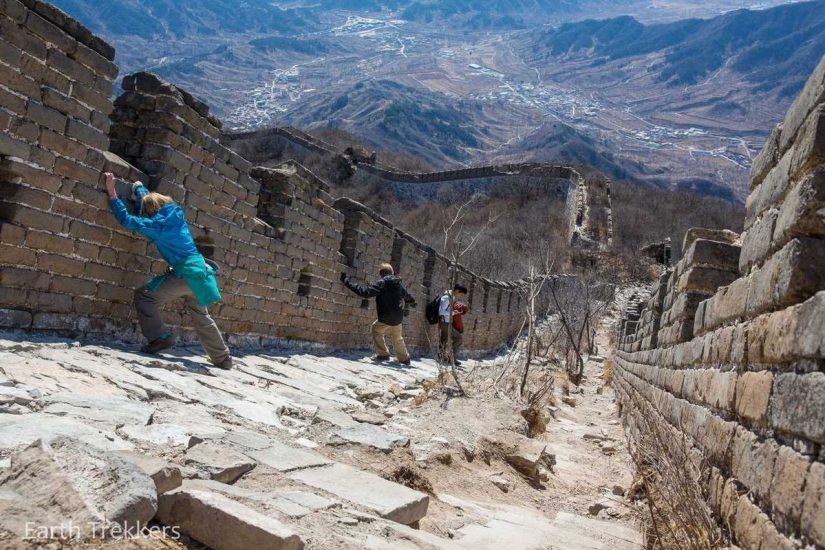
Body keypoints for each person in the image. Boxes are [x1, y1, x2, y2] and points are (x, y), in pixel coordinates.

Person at [103, 172, 233, 369]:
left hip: (185, 274)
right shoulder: (175, 213)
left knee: (144, 297)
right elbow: (150, 200)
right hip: (202, 274)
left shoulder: (157, 225)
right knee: (201, 315)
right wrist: (139, 188)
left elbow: (128, 220)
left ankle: (159, 337)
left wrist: (112, 194)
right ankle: (223, 358)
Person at [341, 263, 416, 365]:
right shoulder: (398, 284)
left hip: (386, 315)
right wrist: (412, 302)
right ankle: (404, 359)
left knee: (376, 330)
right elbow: (407, 296)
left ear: (382, 273)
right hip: (398, 316)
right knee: (397, 337)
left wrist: (347, 283)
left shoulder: (382, 283)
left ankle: (383, 354)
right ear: (392, 273)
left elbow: (365, 292)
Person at [439, 284, 468, 365]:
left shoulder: (452, 297)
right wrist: (452, 313)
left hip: (447, 322)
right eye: (461, 294)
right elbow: (441, 311)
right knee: (458, 338)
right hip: (444, 322)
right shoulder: (447, 298)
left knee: (444, 339)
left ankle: (441, 356)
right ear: (457, 291)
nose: (461, 296)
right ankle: (451, 358)